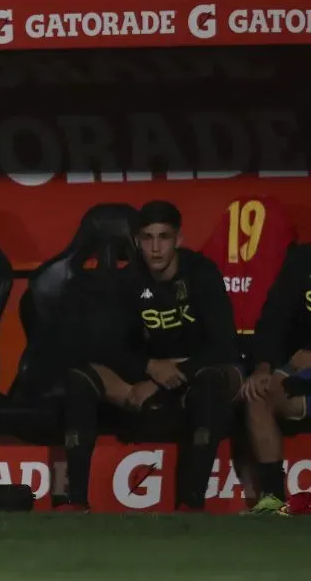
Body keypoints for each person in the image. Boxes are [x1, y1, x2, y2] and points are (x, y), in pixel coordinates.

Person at [60, 201, 243, 512]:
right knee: (81, 375)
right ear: (136, 242)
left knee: (211, 379)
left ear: (179, 240)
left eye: (164, 237)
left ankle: (191, 503)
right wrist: (148, 368)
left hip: (198, 372)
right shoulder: (127, 281)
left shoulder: (201, 274)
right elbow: (104, 346)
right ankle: (76, 502)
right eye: (147, 238)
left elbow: (224, 344)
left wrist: (163, 378)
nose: (156, 248)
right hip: (148, 372)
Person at [241, 243, 311, 514]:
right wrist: (263, 368)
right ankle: (273, 501)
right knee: (259, 393)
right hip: (302, 374)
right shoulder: (301, 260)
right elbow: (273, 320)